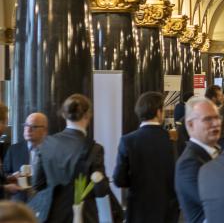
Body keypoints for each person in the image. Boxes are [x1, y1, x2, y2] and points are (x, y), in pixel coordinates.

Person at [30, 94, 110, 223]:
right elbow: (100, 189)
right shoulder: (94, 149)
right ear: (88, 115)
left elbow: (37, 184)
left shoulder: (45, 144)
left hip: (51, 215)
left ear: (63, 114)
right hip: (83, 216)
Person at [113, 92, 178, 223]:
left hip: (138, 209)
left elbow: (119, 179)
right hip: (166, 210)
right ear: (159, 112)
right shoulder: (172, 139)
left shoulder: (127, 141)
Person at [175, 97, 222, 223]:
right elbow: (216, 203)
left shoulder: (218, 151)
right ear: (190, 124)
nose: (216, 123)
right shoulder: (189, 163)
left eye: (217, 118)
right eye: (208, 119)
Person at [3, 113, 48, 202]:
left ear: (44, 130)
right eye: (26, 125)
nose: (28, 129)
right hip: (19, 204)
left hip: (44, 203)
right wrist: (11, 177)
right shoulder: (14, 150)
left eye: (33, 126)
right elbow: (4, 174)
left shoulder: (52, 151)